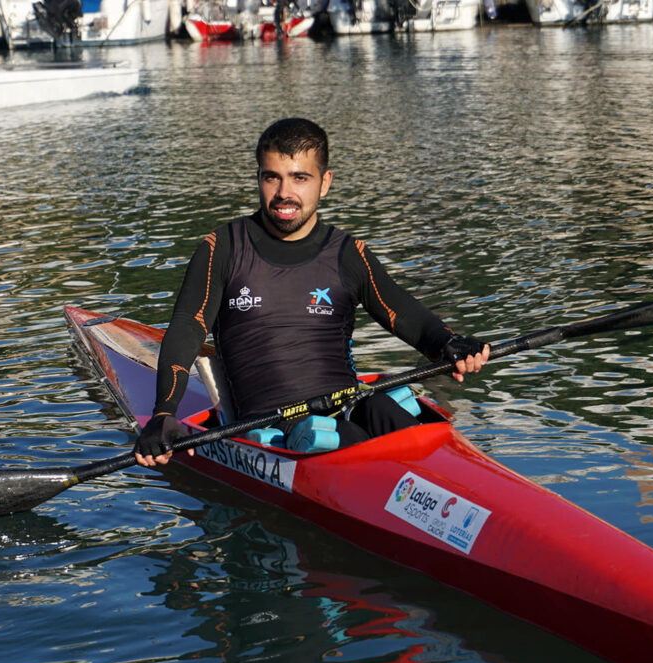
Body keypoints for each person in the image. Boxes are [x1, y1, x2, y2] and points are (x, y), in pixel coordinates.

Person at [135, 118, 489, 466]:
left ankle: (460, 486)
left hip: (348, 401)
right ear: (258, 179)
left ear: (325, 183)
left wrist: (447, 343)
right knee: (343, 438)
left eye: (299, 178)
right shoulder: (222, 249)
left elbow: (405, 313)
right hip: (276, 429)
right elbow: (186, 329)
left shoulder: (348, 253)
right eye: (272, 177)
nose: (284, 194)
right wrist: (164, 412)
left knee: (383, 408)